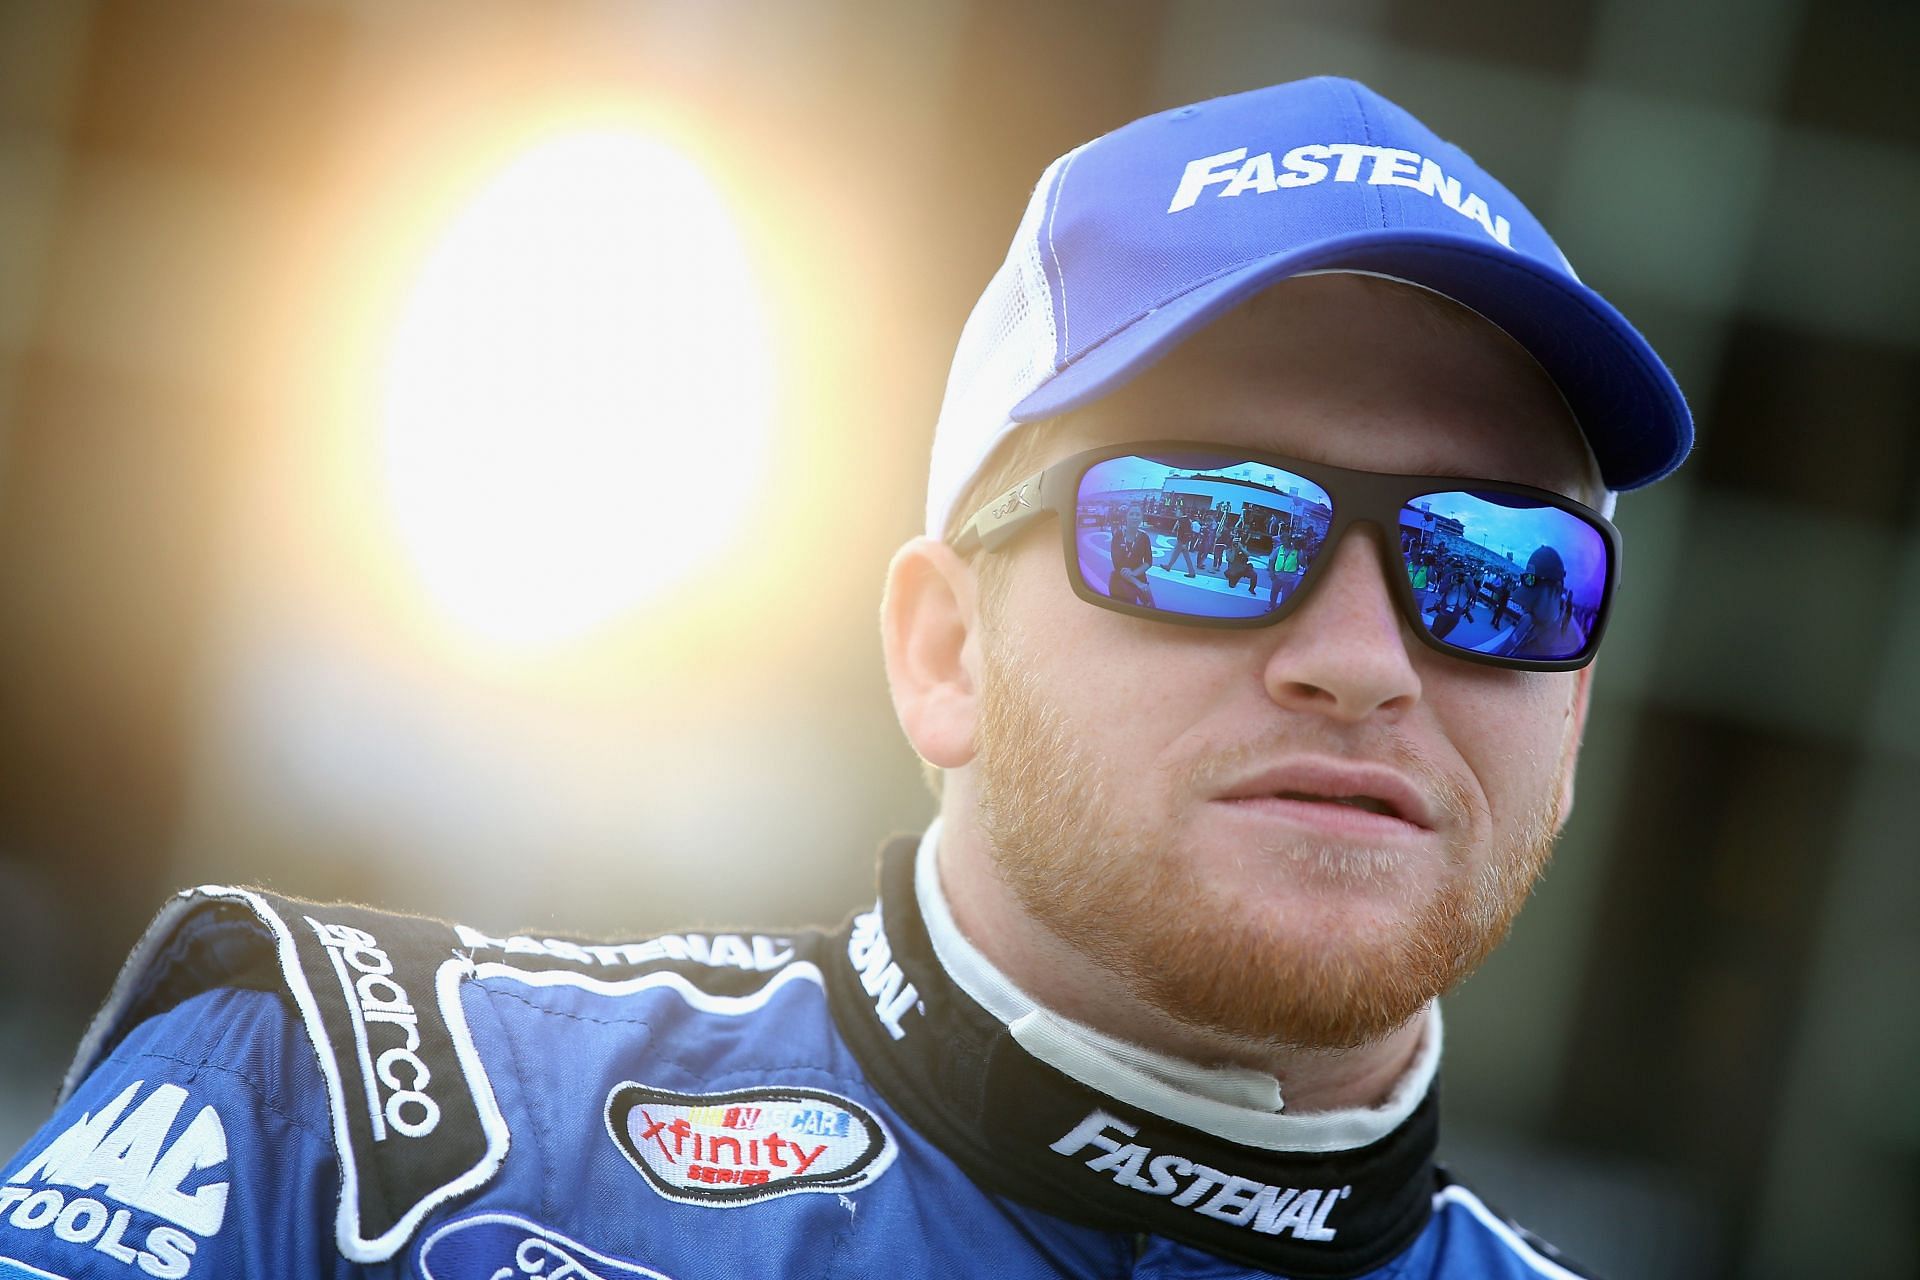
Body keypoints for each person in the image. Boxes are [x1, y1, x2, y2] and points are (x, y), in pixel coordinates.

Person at [0, 77, 1688, 1278]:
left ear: (1577, 701)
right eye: (1207, 530)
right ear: (946, 652)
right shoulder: (353, 1139)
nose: (1360, 661)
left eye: (1499, 570)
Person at [1108, 502, 1157, 604]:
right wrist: (1137, 583)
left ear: (1141, 518)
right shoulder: (1118, 536)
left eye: (1138, 515)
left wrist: (1134, 573)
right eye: (1131, 514)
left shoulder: (1144, 537)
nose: (1134, 517)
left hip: (1139, 574)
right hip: (1120, 579)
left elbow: (1148, 561)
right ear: (1126, 516)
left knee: (1151, 605)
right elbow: (1118, 566)